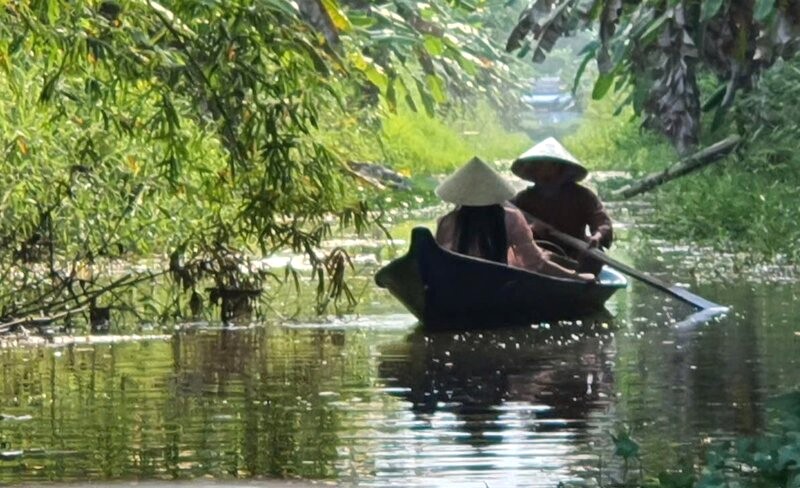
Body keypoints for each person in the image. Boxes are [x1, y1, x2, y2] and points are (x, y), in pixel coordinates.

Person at [434, 157, 594, 282]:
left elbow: (440, 262)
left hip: (460, 281)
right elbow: (536, 263)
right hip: (499, 283)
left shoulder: (446, 221)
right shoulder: (511, 218)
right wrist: (575, 276)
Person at [510, 137, 613, 274]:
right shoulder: (523, 198)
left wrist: (597, 236)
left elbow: (601, 221)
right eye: (536, 165)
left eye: (544, 165)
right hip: (536, 254)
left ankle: (580, 278)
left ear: (558, 167)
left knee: (595, 255)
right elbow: (508, 223)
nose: (538, 168)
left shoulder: (582, 196)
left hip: (574, 254)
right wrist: (531, 228)